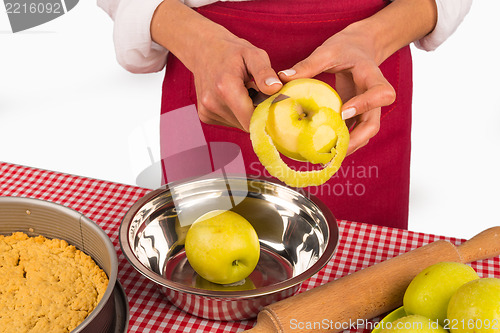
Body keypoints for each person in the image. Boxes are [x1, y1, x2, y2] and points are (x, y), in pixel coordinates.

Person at [98, 0, 472, 229]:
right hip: (213, 75)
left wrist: (376, 37)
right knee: (203, 266)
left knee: (365, 286)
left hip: (362, 76)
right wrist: (195, 41)